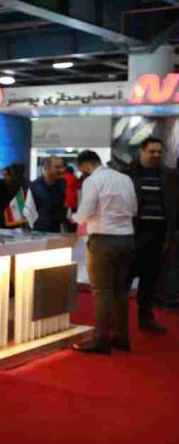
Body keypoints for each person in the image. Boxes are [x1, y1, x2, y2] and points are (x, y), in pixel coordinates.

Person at [72, 150, 137, 354]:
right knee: (120, 291)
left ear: (85, 165)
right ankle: (121, 337)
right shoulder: (125, 179)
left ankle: (101, 340)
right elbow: (134, 209)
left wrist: (73, 217)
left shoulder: (92, 181)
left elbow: (84, 213)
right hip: (127, 238)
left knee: (102, 291)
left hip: (103, 239)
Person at [124, 137, 177, 334]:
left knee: (151, 280)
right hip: (133, 233)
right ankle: (117, 322)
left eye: (159, 152)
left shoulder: (169, 175)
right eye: (152, 151)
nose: (156, 155)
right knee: (124, 279)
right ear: (142, 151)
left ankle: (146, 317)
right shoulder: (127, 174)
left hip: (159, 234)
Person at [28, 156, 68, 232]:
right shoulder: (34, 187)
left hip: (57, 231)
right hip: (38, 232)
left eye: (62, 167)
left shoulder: (63, 184)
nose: (62, 170)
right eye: (57, 167)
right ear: (47, 168)